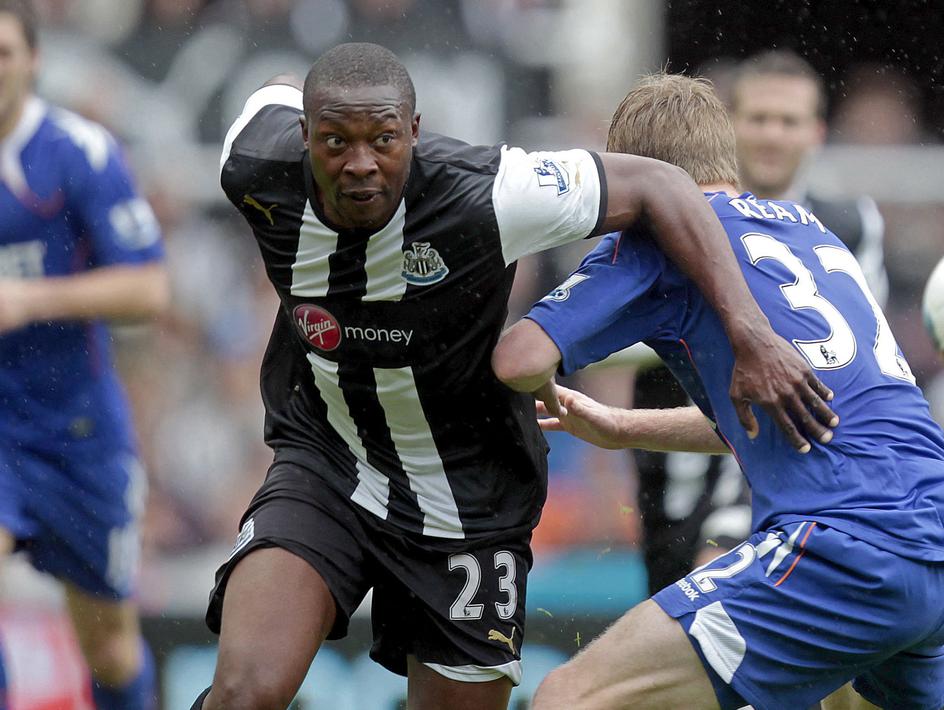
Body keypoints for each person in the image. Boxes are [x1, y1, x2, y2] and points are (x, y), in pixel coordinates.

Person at [196, 43, 837, 710]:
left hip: (471, 498)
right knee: (246, 692)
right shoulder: (255, 163)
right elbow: (273, 86)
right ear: (303, 135)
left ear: (413, 132)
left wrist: (750, 333)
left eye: (383, 139)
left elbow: (662, 183)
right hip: (328, 466)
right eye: (334, 140)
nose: (360, 163)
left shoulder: (492, 191)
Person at [492, 72, 944, 709]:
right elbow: (803, 413)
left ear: (633, 177)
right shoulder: (812, 231)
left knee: (569, 697)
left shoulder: (656, 244)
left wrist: (543, 384)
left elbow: (519, 360)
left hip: (847, 548)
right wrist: (624, 426)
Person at [632, 49, 889, 595]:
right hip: (676, 452)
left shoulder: (851, 224)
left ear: (816, 132)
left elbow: (858, 362)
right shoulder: (676, 215)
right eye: (759, 118)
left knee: (749, 628)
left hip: (790, 457)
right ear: (728, 126)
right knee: (676, 605)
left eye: (789, 121)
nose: (773, 135)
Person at [0, 2, 167, 709]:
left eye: (1, 53)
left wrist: (29, 300)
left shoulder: (79, 153)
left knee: (110, 649)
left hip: (77, 434)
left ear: (34, 59)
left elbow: (150, 287)